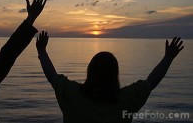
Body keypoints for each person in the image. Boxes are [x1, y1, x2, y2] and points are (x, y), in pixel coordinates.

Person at [36, 31, 184, 123]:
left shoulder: (71, 93)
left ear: (90, 71)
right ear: (115, 75)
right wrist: (168, 58)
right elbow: (152, 81)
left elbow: (51, 76)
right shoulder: (127, 99)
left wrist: (42, 51)